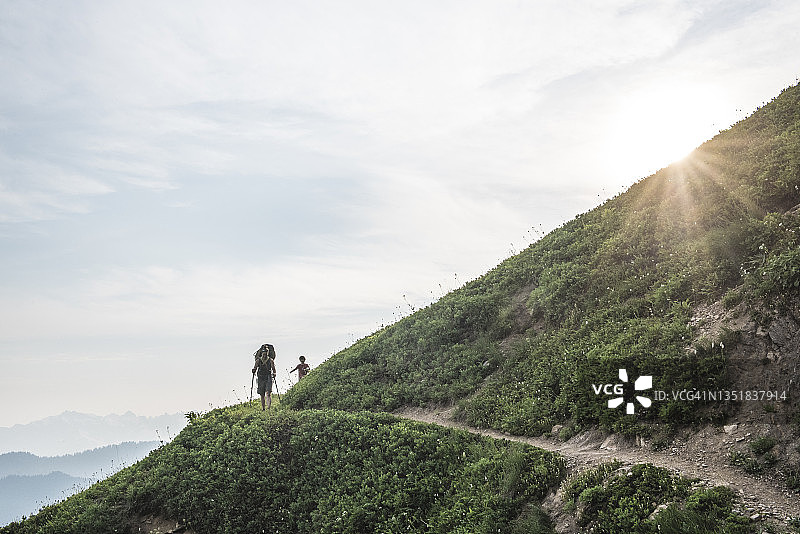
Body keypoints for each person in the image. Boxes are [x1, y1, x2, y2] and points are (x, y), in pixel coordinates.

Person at [252, 344, 276, 411]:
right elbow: (255, 367)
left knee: (268, 392)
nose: (264, 355)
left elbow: (273, 369)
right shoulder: (258, 360)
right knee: (262, 394)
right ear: (262, 354)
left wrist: (274, 373)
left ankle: (268, 407)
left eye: (266, 354)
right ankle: (263, 408)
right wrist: (253, 370)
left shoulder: (271, 360)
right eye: (263, 354)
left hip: (268, 376)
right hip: (260, 377)